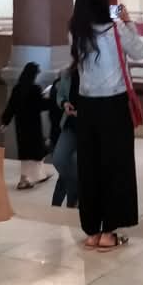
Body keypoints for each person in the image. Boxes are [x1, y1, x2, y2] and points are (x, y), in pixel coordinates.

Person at [70, 0, 143, 251]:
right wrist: (128, 21)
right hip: (114, 106)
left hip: (87, 107)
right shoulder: (117, 30)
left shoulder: (76, 33)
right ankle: (109, 232)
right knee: (115, 168)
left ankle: (92, 230)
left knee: (89, 168)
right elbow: (139, 52)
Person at [1, 62, 52, 189]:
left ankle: (29, 178)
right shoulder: (35, 89)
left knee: (26, 153)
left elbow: (11, 106)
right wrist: (50, 98)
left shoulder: (17, 89)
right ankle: (27, 180)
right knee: (38, 151)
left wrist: (5, 122)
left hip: (21, 126)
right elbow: (41, 105)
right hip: (33, 126)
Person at [50, 65, 80, 208]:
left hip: (89, 125)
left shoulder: (95, 72)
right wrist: (64, 103)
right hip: (70, 123)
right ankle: (75, 194)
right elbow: (60, 95)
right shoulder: (68, 73)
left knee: (75, 162)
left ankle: (72, 200)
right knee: (59, 159)